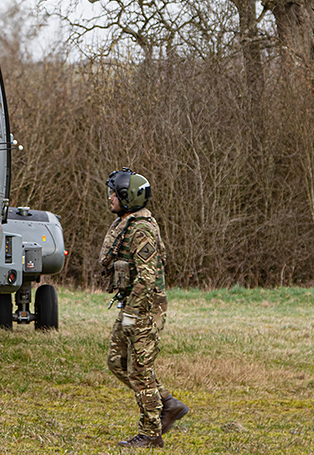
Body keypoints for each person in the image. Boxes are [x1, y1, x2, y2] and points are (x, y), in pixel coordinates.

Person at [100, 168, 189, 448]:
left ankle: (151, 434)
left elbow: (147, 277)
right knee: (117, 361)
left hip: (145, 309)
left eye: (115, 193)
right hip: (133, 305)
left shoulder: (141, 229)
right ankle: (168, 403)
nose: (110, 197)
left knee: (139, 369)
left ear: (129, 197)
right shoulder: (127, 223)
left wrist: (132, 312)